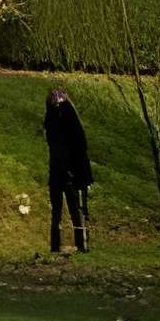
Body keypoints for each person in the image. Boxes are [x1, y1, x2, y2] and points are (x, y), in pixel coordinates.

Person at [43, 87, 92, 253]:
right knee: (75, 210)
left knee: (60, 210)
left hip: (60, 171)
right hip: (69, 172)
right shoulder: (69, 119)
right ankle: (81, 244)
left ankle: (57, 245)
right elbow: (80, 148)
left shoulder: (52, 120)